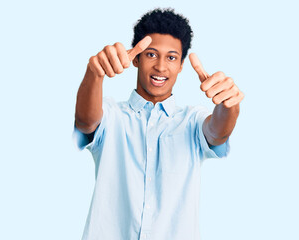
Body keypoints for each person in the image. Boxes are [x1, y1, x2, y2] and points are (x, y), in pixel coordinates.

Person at [73, 8, 243, 240]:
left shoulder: (192, 121)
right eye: (151, 54)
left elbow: (218, 133)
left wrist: (229, 105)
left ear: (181, 65)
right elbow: (85, 121)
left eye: (171, 57)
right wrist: (95, 72)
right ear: (136, 58)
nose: (161, 67)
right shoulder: (112, 115)